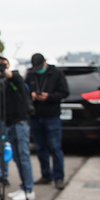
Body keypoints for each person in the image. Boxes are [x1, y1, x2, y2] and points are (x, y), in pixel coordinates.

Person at [0, 55, 35, 200]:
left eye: (2, 65)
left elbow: (13, 77)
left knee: (23, 155)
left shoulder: (15, 77)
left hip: (19, 121)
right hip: (8, 122)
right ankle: (24, 187)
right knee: (16, 156)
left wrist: (0, 68)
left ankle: (29, 189)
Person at [25, 53, 69, 190]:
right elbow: (24, 90)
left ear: (45, 62)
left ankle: (59, 177)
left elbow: (64, 92)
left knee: (55, 147)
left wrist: (49, 97)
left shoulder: (56, 74)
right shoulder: (31, 74)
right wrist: (30, 95)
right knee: (40, 147)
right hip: (36, 116)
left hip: (52, 116)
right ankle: (46, 175)